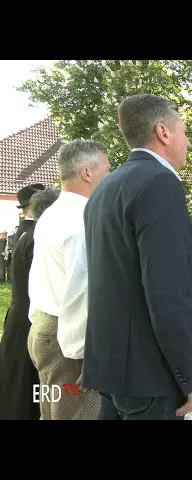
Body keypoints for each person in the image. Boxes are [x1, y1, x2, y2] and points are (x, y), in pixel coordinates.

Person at [82, 93, 192, 420]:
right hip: (151, 378)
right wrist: (190, 376)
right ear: (164, 133)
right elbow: (169, 294)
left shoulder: (104, 189)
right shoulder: (160, 183)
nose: (189, 143)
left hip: (113, 370)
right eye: (184, 131)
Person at [27, 140, 110, 420]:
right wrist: (86, 356)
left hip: (45, 328)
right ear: (87, 173)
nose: (109, 177)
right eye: (107, 170)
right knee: (78, 415)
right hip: (68, 341)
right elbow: (80, 292)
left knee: (51, 413)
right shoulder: (79, 221)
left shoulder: (51, 214)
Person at [0, 188, 59, 420]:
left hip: (19, 314)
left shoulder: (25, 233)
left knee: (18, 382)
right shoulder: (36, 236)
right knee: (30, 385)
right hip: (30, 318)